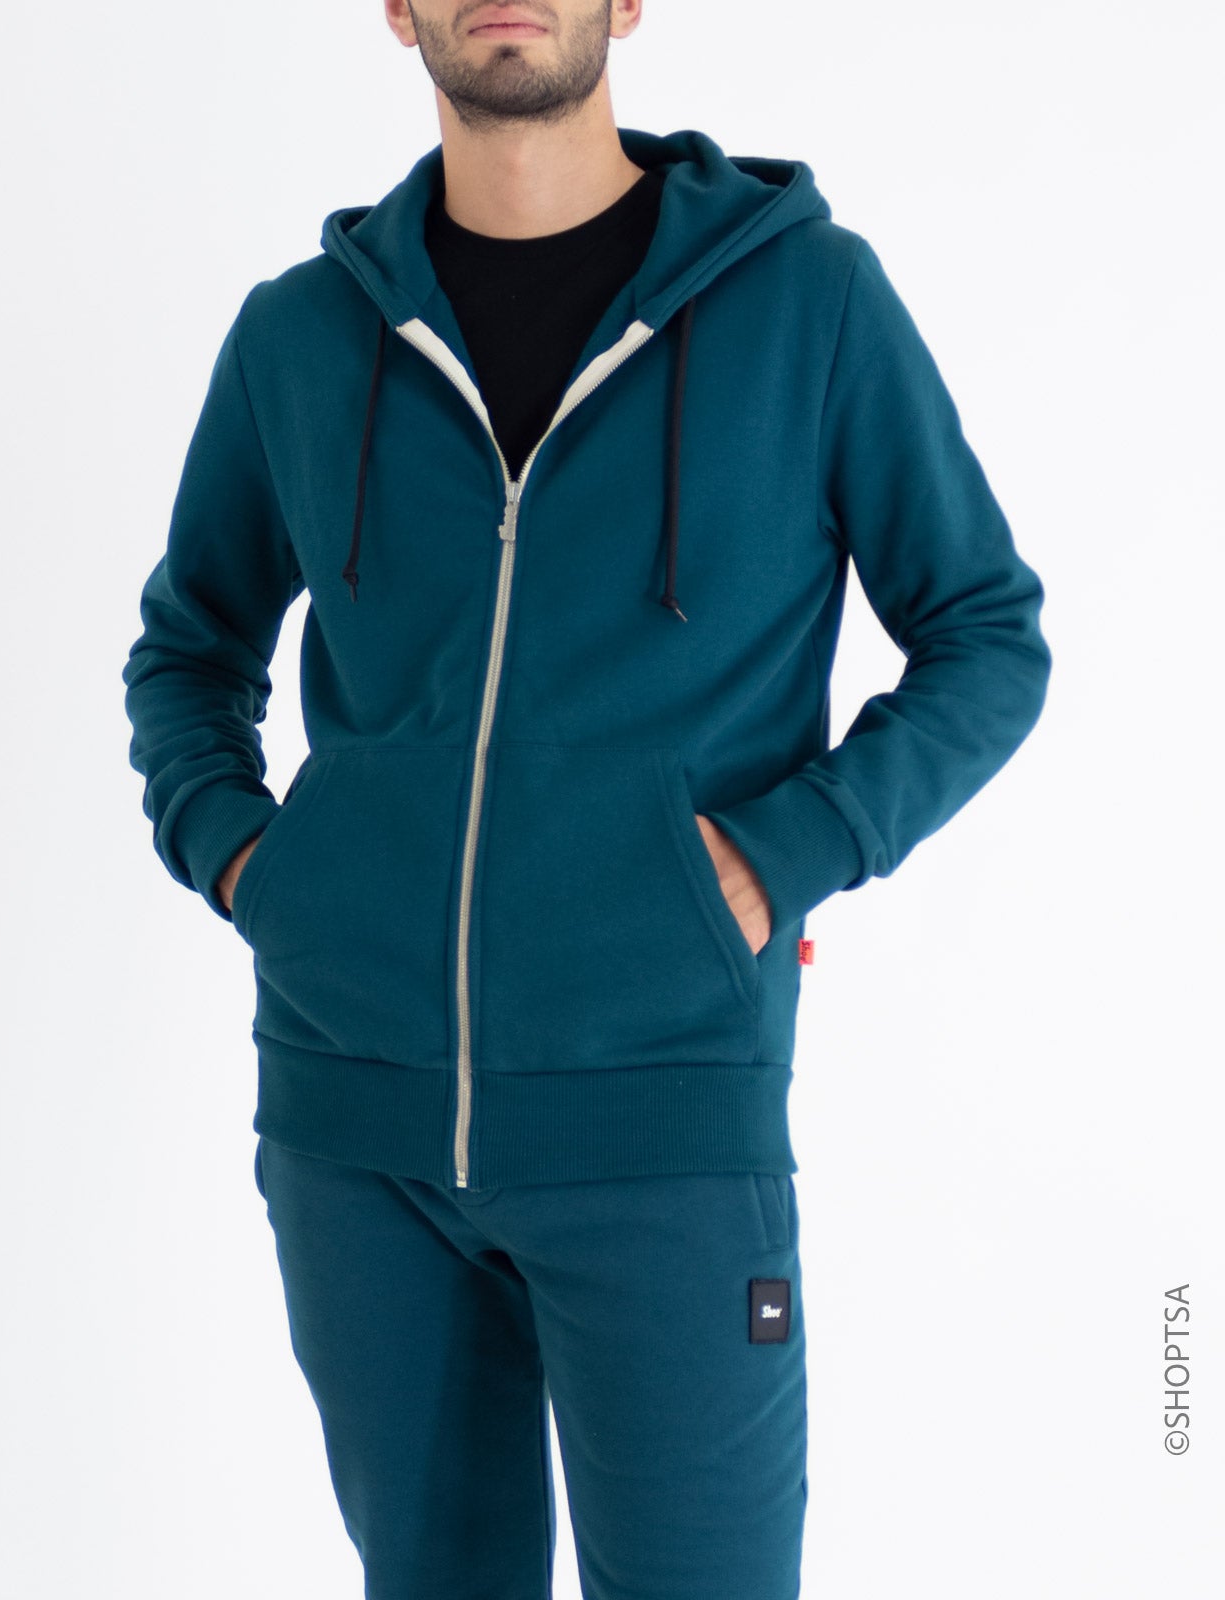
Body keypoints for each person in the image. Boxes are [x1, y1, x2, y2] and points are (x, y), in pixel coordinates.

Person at [120, 3, 1052, 1595]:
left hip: (666, 1130)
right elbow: (190, 649)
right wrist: (250, 865)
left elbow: (986, 634)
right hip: (356, 1142)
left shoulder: (808, 303)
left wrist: (790, 847)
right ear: (397, 9)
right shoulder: (299, 335)